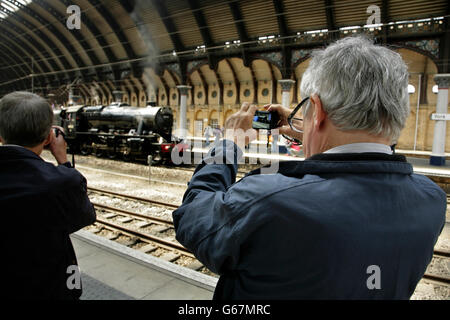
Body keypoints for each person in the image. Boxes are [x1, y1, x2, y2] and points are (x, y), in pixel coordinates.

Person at [173, 36, 446, 299]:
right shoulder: (431, 200)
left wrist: (229, 142)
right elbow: (372, 154)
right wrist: (316, 130)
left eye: (307, 109)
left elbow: (192, 216)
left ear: (316, 108)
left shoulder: (268, 202)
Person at [0, 91, 96, 300]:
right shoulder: (62, 182)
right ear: (48, 137)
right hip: (51, 290)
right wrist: (63, 160)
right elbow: (85, 217)